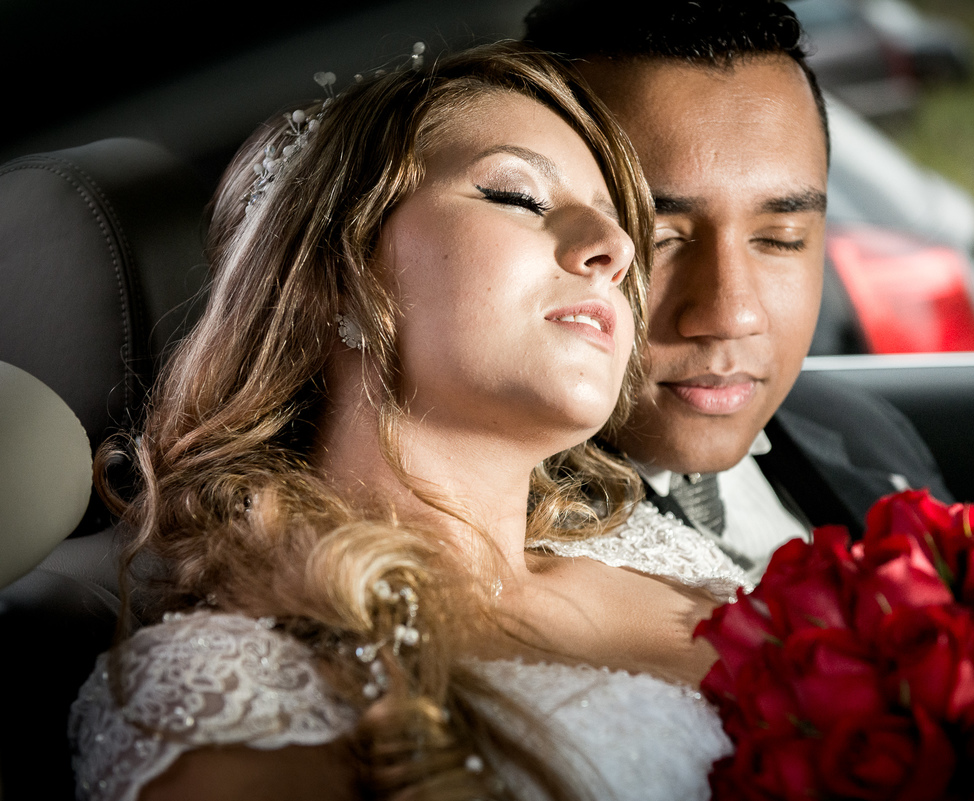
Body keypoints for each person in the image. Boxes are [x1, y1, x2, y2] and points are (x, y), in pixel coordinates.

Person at [70, 43, 747, 801]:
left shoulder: (669, 555)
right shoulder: (239, 686)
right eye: (518, 196)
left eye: (620, 226)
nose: (617, 249)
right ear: (339, 274)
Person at [524, 0, 954, 573]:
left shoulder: (860, 429)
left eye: (779, 238)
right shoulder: (493, 529)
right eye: (656, 239)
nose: (731, 314)